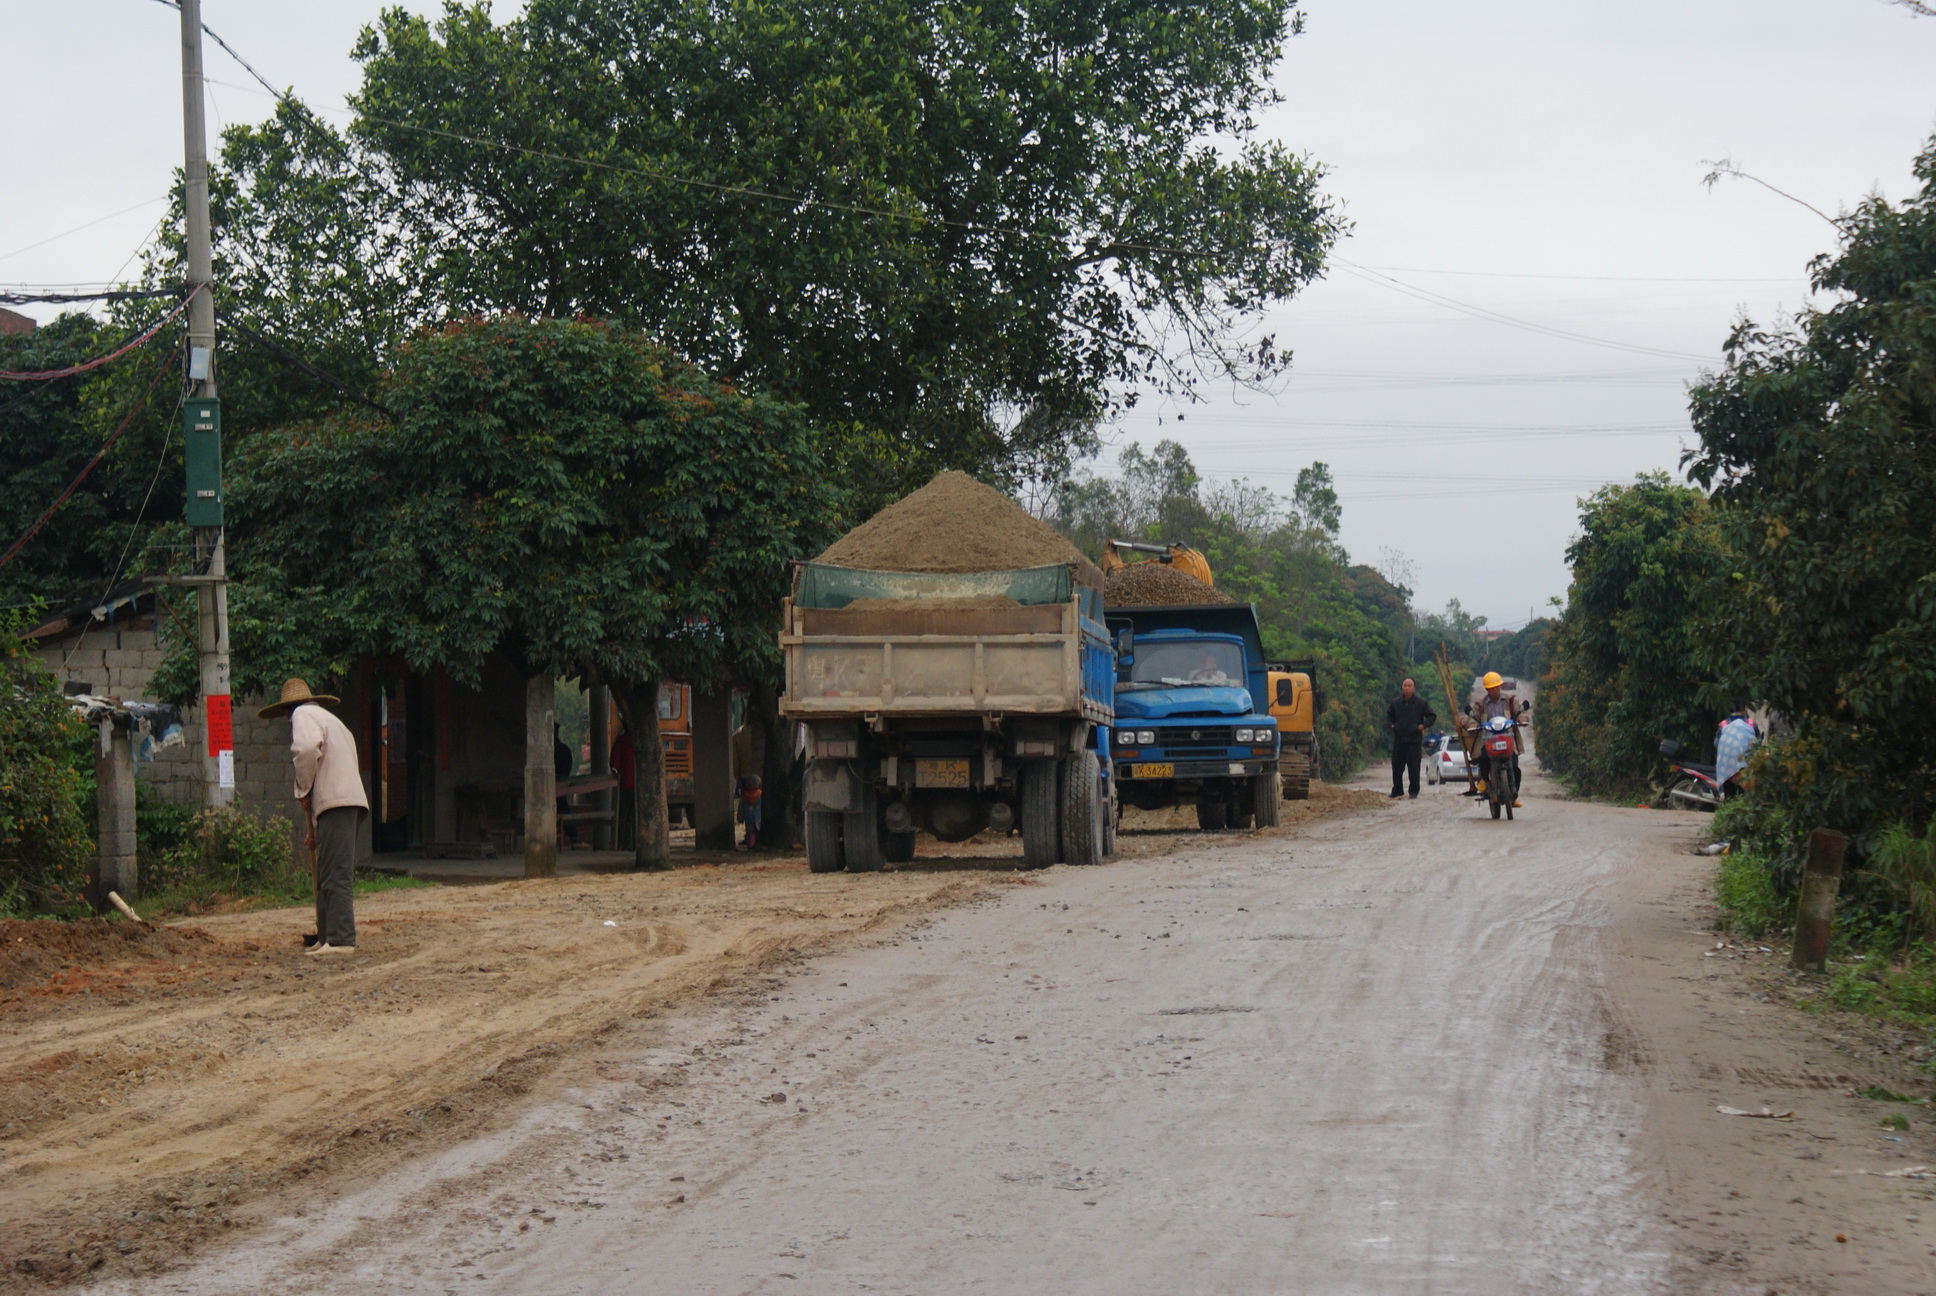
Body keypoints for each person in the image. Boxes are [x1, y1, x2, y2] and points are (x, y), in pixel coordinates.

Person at [260, 678, 369, 956]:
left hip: (338, 802)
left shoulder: (303, 715)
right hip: (341, 802)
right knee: (325, 872)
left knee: (336, 874)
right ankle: (326, 936)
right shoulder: (330, 720)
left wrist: (303, 787)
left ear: (287, 710)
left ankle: (341, 939)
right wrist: (316, 831)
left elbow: (307, 750)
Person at [1462, 671, 1524, 807]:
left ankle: (1513, 796)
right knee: (1483, 758)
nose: (1495, 690)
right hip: (1488, 740)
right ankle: (1484, 780)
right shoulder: (1480, 704)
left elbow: (1519, 711)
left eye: (1497, 687)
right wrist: (1472, 724)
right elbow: (1471, 717)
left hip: (1508, 739)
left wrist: (1521, 718)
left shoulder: (1510, 700)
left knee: (1515, 767)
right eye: (1491, 688)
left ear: (1500, 687)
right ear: (1487, 689)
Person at [1385, 677, 1436, 799]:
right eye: (1405, 685)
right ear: (1401, 687)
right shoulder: (1395, 703)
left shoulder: (1421, 703)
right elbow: (1389, 716)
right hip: (1399, 739)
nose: (1407, 688)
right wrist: (1392, 726)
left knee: (1414, 768)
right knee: (1397, 766)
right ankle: (1397, 790)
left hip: (1414, 740)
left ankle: (1413, 791)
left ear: (1414, 688)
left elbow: (1431, 716)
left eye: (1409, 686)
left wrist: (1423, 726)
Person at [610, 724, 636, 851]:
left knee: (623, 816)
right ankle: (635, 843)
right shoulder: (640, 742)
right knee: (636, 817)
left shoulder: (621, 742)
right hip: (638, 786)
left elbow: (614, 765)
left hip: (625, 784)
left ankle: (620, 843)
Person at [737, 774, 763, 850]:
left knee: (750, 833)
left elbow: (741, 809)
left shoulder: (744, 797)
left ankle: (751, 846)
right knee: (759, 833)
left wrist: (740, 818)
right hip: (759, 818)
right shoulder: (760, 795)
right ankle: (758, 845)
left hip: (749, 819)